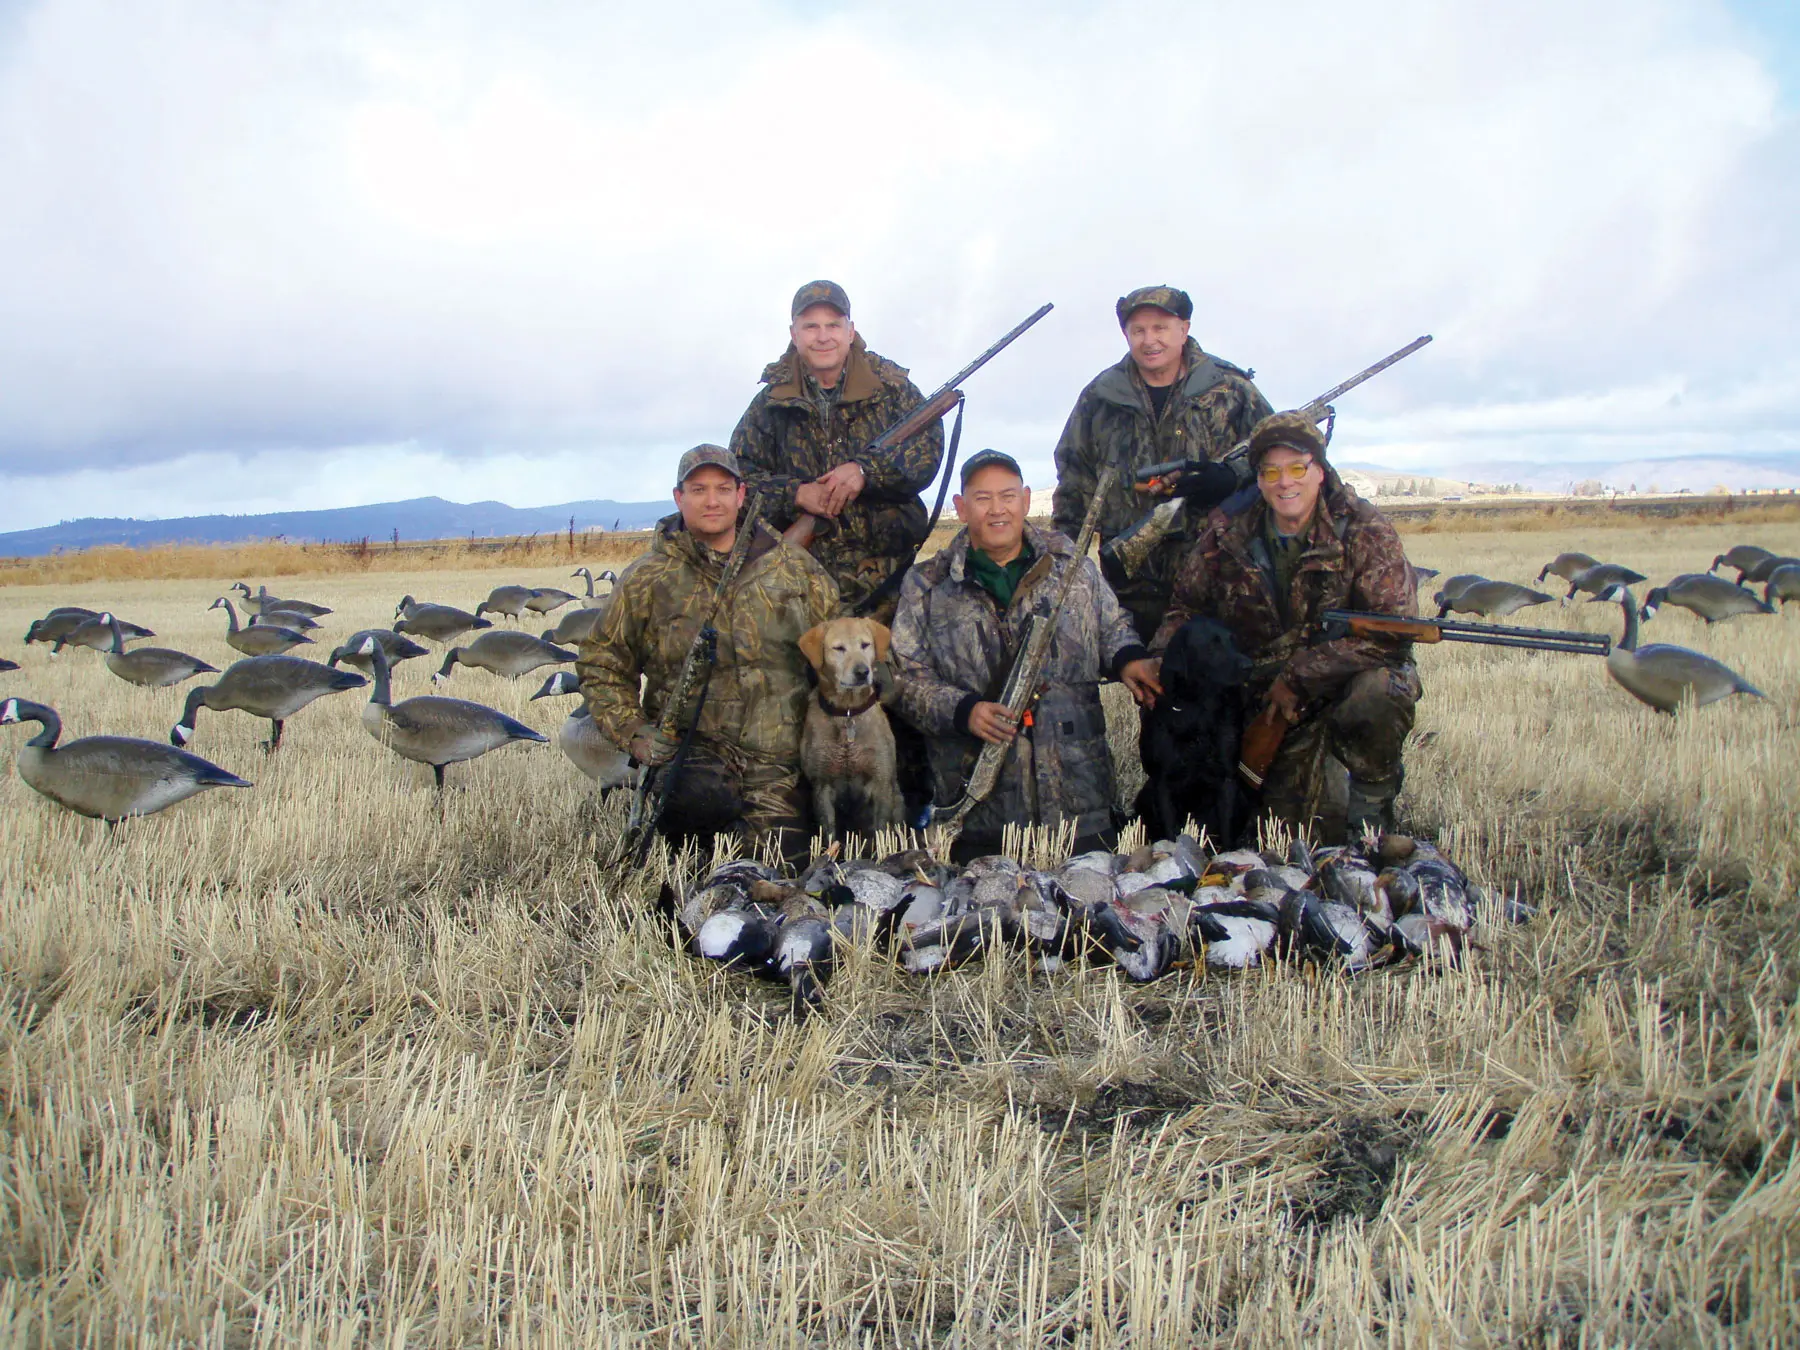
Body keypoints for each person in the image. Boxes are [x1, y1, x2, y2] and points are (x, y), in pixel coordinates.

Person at [1152, 411, 1420, 839]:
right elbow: (1183, 609)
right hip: (1261, 697)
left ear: (1320, 471)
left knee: (1384, 687)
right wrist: (1161, 662)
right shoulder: (1226, 533)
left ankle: (1370, 805)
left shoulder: (1365, 529)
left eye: (1298, 468)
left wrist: (1302, 674)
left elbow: (1394, 635)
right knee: (1277, 837)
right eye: (1270, 471)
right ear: (1257, 479)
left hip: (1334, 690)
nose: (1284, 482)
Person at [890, 449, 1161, 859]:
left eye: (1008, 496)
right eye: (982, 499)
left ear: (1026, 499)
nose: (997, 510)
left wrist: (1129, 659)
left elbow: (1112, 628)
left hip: (1078, 806)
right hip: (982, 814)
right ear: (961, 508)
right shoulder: (927, 584)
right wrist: (964, 710)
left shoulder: (1071, 563)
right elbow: (905, 679)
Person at [577, 445, 837, 859]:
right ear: (679, 498)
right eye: (698, 489)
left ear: (741, 495)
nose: (711, 500)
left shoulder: (794, 569)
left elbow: (840, 653)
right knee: (695, 816)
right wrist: (635, 732)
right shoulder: (648, 577)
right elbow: (602, 664)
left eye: (722, 488)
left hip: (780, 762)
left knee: (784, 866)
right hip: (696, 758)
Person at [1051, 285, 1273, 643]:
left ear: (1184, 329)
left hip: (1218, 568)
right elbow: (1074, 480)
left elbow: (1273, 457)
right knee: (1145, 678)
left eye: (1160, 328)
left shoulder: (1231, 388)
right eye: (1138, 330)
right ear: (1126, 335)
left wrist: (1230, 477)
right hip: (1132, 578)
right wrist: (1063, 563)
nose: (1149, 340)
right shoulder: (1100, 397)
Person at [730, 280, 945, 619]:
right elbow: (738, 477)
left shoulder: (894, 391)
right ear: (794, 334)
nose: (823, 336)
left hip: (888, 582)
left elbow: (926, 456)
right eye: (811, 326)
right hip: (798, 587)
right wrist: (796, 494)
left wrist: (865, 472)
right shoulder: (769, 404)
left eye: (833, 325)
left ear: (850, 330)